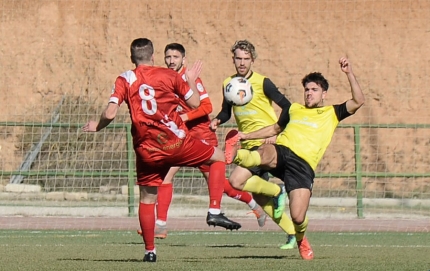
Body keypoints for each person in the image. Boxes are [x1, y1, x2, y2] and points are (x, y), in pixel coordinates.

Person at [82, 38, 236, 263]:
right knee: (218, 157)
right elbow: (196, 104)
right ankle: (214, 209)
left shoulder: (125, 78)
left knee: (147, 198)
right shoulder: (170, 76)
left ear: (132, 57)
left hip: (147, 150)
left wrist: (98, 125)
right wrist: (190, 80)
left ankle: (150, 251)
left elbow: (110, 113)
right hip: (176, 143)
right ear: (154, 56)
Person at [224, 57, 365, 260]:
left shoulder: (332, 113)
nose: (309, 93)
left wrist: (349, 73)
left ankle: (300, 239)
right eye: (307, 89)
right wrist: (245, 136)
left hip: (303, 165)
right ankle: (235, 154)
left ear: (324, 93)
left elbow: (359, 101)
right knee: (264, 153)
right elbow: (275, 128)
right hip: (283, 151)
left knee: (298, 216)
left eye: (314, 89)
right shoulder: (293, 109)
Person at [138, 42, 263, 239]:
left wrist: (183, 118)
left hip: (201, 135)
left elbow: (206, 106)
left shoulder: (191, 79)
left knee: (220, 185)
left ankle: (254, 204)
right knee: (167, 177)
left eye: (176, 57)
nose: (171, 61)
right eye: (168, 57)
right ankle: (160, 225)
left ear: (183, 60)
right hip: (179, 137)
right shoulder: (165, 78)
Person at [209, 39, 297, 249]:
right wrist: (217, 120)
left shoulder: (263, 82)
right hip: (247, 145)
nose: (242, 62)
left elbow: (288, 107)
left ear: (253, 60)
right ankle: (294, 235)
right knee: (261, 198)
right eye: (238, 58)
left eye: (246, 59)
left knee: (236, 181)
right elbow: (226, 112)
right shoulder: (228, 84)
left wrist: (276, 131)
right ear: (233, 59)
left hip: (266, 144)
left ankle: (278, 191)